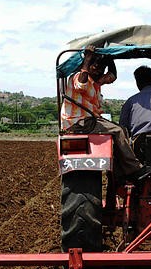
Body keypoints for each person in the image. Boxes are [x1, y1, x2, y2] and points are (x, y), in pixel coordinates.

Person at [61, 46, 142, 181]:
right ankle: (134, 168)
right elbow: (81, 84)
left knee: (122, 129)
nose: (99, 70)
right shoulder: (78, 77)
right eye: (96, 66)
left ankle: (119, 172)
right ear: (88, 65)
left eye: (102, 68)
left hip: (89, 120)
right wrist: (87, 59)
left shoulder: (96, 81)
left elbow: (112, 76)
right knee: (118, 131)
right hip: (78, 122)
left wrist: (110, 57)